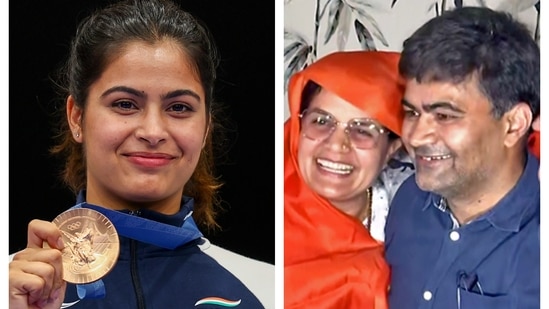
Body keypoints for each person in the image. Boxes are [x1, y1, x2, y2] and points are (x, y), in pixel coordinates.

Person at [8, 0, 273, 308]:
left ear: (205, 129)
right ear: (77, 117)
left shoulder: (268, 290)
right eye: (125, 104)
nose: (153, 131)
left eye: (179, 108)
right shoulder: (12, 289)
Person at [384, 6, 539, 309]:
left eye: (444, 115)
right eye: (411, 112)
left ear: (514, 124)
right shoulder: (409, 200)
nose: (415, 137)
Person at [284, 50, 414, 308]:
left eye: (363, 130)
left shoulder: (422, 218)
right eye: (321, 121)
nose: (337, 145)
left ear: (391, 148)